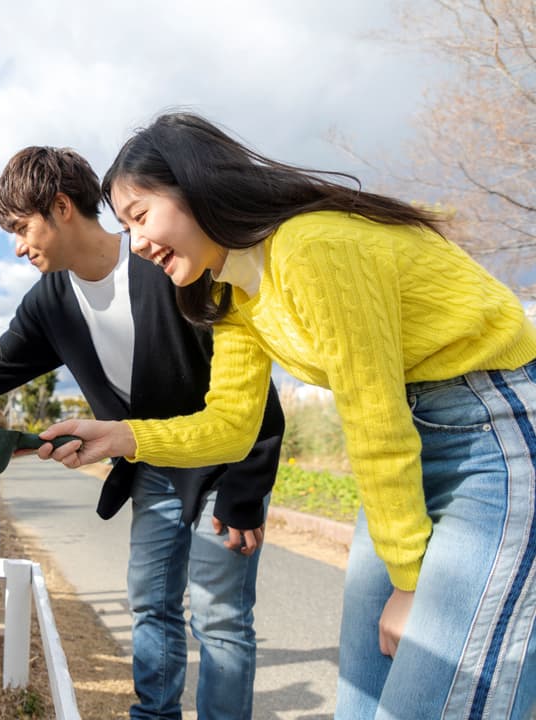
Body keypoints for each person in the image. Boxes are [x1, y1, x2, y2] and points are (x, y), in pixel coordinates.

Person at [39, 113, 536, 720]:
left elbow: (371, 412)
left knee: (431, 699)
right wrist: (120, 436)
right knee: (361, 693)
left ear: (196, 187)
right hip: (417, 439)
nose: (137, 243)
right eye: (126, 227)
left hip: (496, 430)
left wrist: (408, 582)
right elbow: (229, 424)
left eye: (140, 216)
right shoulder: (234, 293)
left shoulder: (311, 247)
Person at [0, 145, 285, 720]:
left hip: (225, 465)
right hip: (150, 470)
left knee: (219, 617)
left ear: (61, 207)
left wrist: (246, 493)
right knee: (151, 604)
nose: (17, 246)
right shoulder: (49, 302)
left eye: (21, 228)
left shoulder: (168, 260)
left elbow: (254, 390)